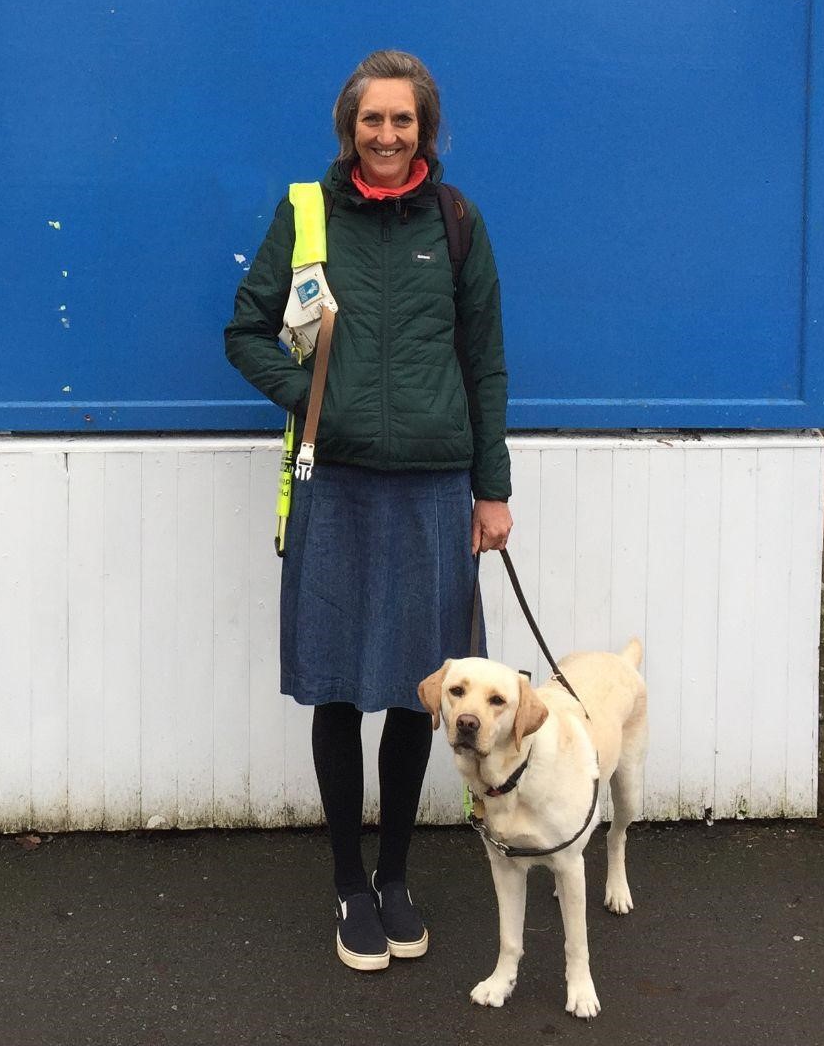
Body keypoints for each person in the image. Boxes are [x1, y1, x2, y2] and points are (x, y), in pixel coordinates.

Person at [225, 48, 512, 973]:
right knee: (340, 684)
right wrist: (315, 397)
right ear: (348, 128)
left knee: (414, 692)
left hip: (433, 487)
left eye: (403, 120)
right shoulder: (307, 215)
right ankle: (348, 883)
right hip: (336, 485)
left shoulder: (457, 223)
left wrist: (492, 486)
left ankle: (396, 878)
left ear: (425, 129)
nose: (386, 136)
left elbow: (485, 363)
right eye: (370, 120)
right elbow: (244, 331)